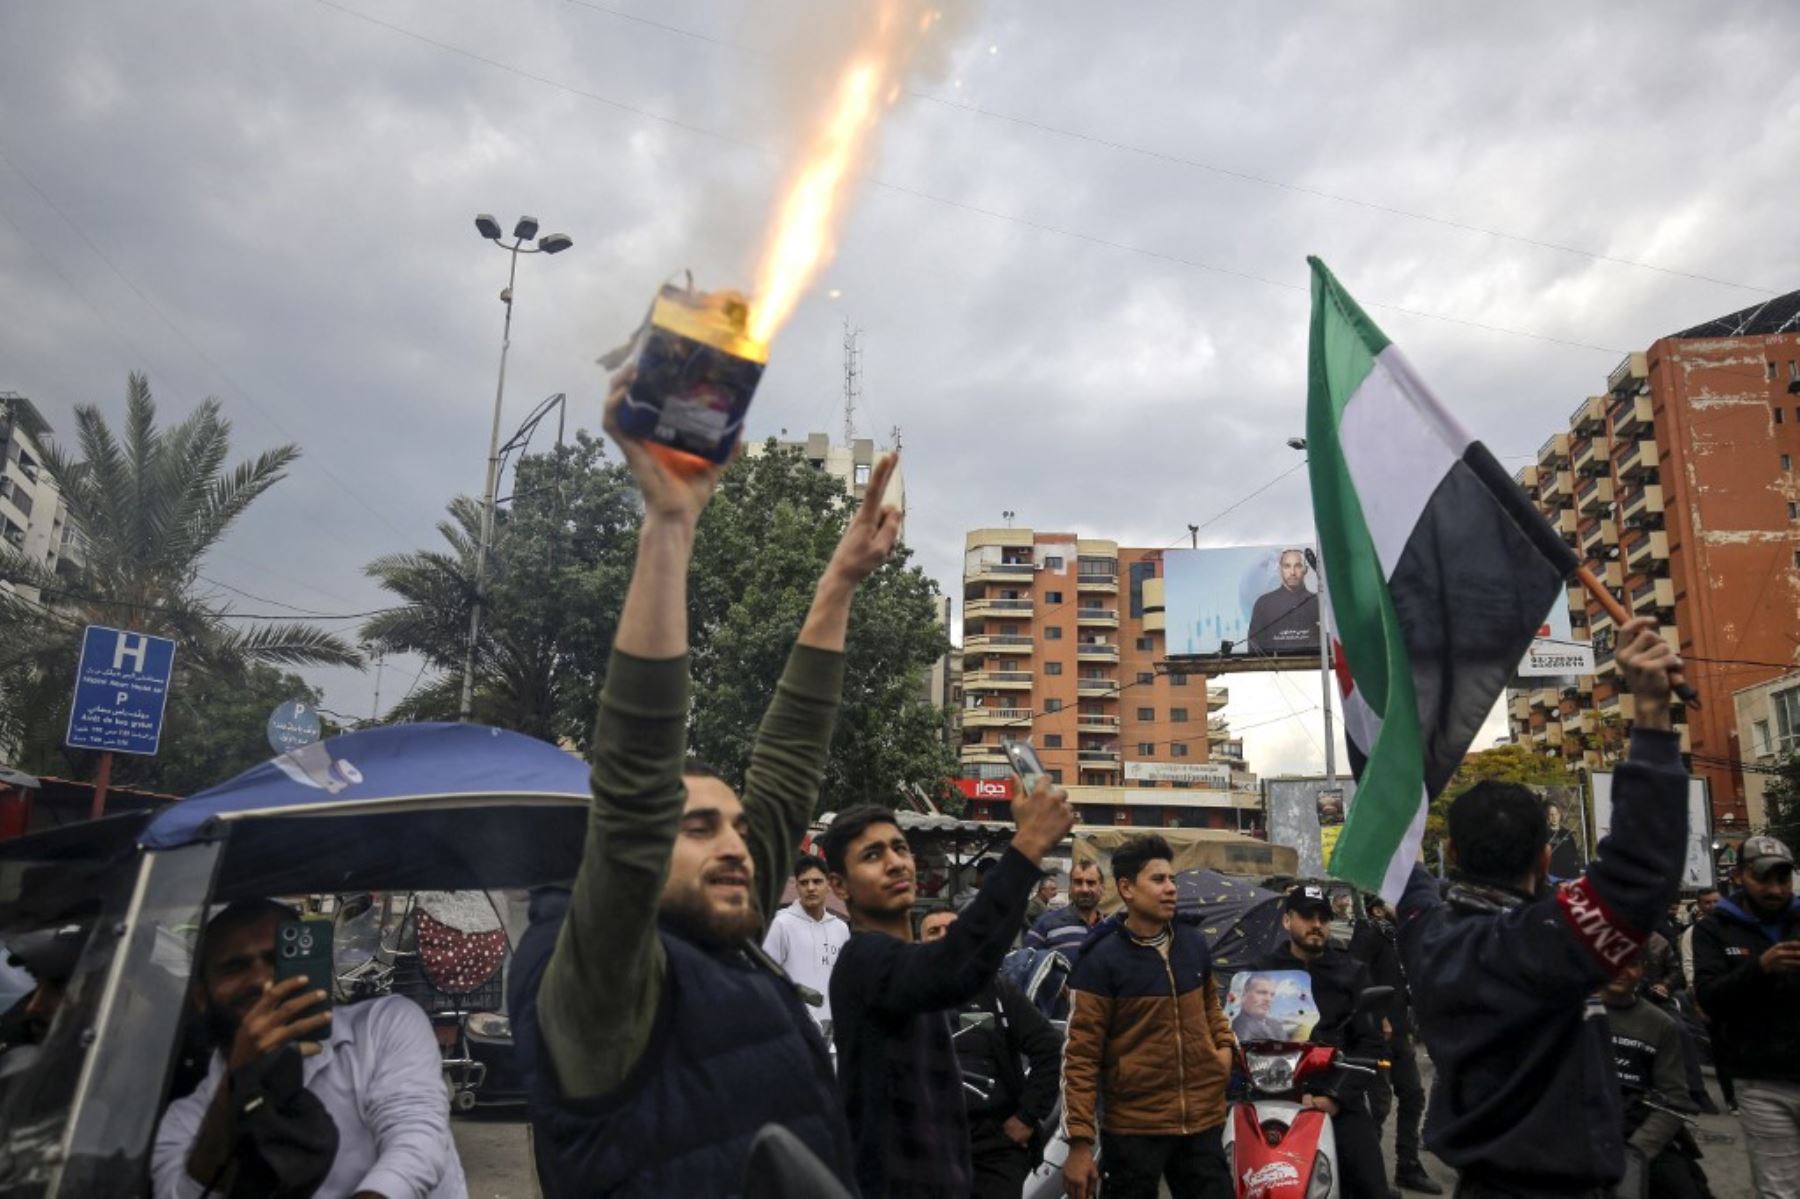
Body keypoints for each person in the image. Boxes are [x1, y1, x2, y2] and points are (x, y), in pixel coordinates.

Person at [507, 367, 901, 1195]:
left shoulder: (724, 939)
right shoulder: (595, 982)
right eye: (695, 827)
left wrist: (840, 583)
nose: (734, 843)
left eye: (734, 825)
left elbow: (789, 762)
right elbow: (637, 779)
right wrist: (670, 525)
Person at [1396, 615, 1690, 1198]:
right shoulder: (1542, 943)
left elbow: (1406, 872)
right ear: (1543, 856)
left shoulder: (1428, 937)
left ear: (1452, 851)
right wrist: (1651, 713)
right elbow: (1641, 872)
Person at [823, 784, 1075, 1199]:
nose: (894, 863)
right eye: (872, 855)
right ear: (840, 885)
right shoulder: (863, 961)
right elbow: (957, 965)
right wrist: (1028, 844)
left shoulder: (910, 969)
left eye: (899, 849)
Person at [152, 899, 467, 1198]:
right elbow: (180, 1193)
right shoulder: (188, 1118)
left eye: (279, 960)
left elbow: (416, 1143)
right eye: (235, 968)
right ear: (201, 997)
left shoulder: (383, 1026)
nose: (263, 982)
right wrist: (237, 1080)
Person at [1061, 833, 1233, 1199]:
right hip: (1134, 1128)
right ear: (1126, 888)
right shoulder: (1100, 959)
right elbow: (1080, 1056)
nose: (1171, 888)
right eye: (1158, 880)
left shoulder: (1193, 942)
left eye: (1172, 879)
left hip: (1201, 1121)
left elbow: (1212, 1007)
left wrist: (1223, 1053)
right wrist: (1079, 1143)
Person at [1257, 883, 1395, 1199]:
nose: (1316, 925)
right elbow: (1245, 1033)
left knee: (1371, 1186)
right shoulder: (1263, 972)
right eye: (1307, 916)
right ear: (1287, 920)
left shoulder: (1353, 972)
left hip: (1340, 1101)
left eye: (1323, 917)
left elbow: (1371, 1043)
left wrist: (1334, 1098)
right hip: (1275, 1096)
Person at [919, 908, 1063, 1199]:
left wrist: (1026, 1116)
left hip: (993, 1146)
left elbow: (1050, 1048)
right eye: (933, 931)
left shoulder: (998, 992)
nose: (944, 937)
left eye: (952, 928)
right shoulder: (905, 998)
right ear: (919, 943)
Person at [1691, 834, 1800, 1197]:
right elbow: (1709, 998)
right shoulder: (1713, 929)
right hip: (1760, 1079)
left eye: (1782, 879)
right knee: (1779, 1189)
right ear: (1739, 876)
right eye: (1763, 878)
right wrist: (1760, 968)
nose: (1775, 889)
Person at [1600, 951, 1712, 1199]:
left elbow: (1675, 1101)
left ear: (1643, 970)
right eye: (1614, 962)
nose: (1622, 971)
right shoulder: (1567, 1013)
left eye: (1632, 964)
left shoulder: (1661, 1024)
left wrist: (1636, 1153)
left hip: (1636, 1132)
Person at [1352, 896, 1442, 1195]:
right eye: (1393, 901)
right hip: (1378, 1034)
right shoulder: (1369, 934)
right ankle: (1369, 1178)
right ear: (1377, 909)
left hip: (1400, 1032)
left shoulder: (1396, 936)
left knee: (1414, 1096)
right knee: (1378, 1106)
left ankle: (1408, 1166)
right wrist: (1378, 1019)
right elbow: (1357, 976)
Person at [761, 853, 850, 1028]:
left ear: (829, 885)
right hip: (794, 1027)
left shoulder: (840, 928)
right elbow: (765, 978)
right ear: (797, 887)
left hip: (834, 1027)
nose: (810, 888)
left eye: (817, 881)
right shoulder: (781, 924)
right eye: (804, 882)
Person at [1678, 887, 1735, 1113]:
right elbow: (1689, 965)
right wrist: (1698, 1000)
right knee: (1720, 1047)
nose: (1712, 906)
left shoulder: (1733, 927)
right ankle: (1731, 1097)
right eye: (1707, 902)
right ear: (1700, 905)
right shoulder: (1693, 932)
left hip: (1735, 995)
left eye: (1716, 901)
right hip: (1711, 996)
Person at [1025, 858, 1105, 969]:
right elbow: (1026, 971)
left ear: (1101, 887)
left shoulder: (1110, 930)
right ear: (1070, 887)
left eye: (1091, 883)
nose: (1084, 889)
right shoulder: (1044, 924)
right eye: (1078, 882)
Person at [1245, 548, 1319, 654]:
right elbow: (1254, 646)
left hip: (1313, 668)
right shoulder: (1263, 603)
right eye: (1287, 566)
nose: (1292, 572)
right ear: (1280, 570)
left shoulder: (1318, 603)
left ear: (1305, 569)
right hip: (1273, 668)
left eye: (1298, 566)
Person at [1230, 973, 1288, 1043]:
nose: (1269, 999)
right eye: (1262, 993)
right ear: (1244, 995)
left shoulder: (1276, 1024)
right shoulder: (1239, 1027)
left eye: (1272, 995)